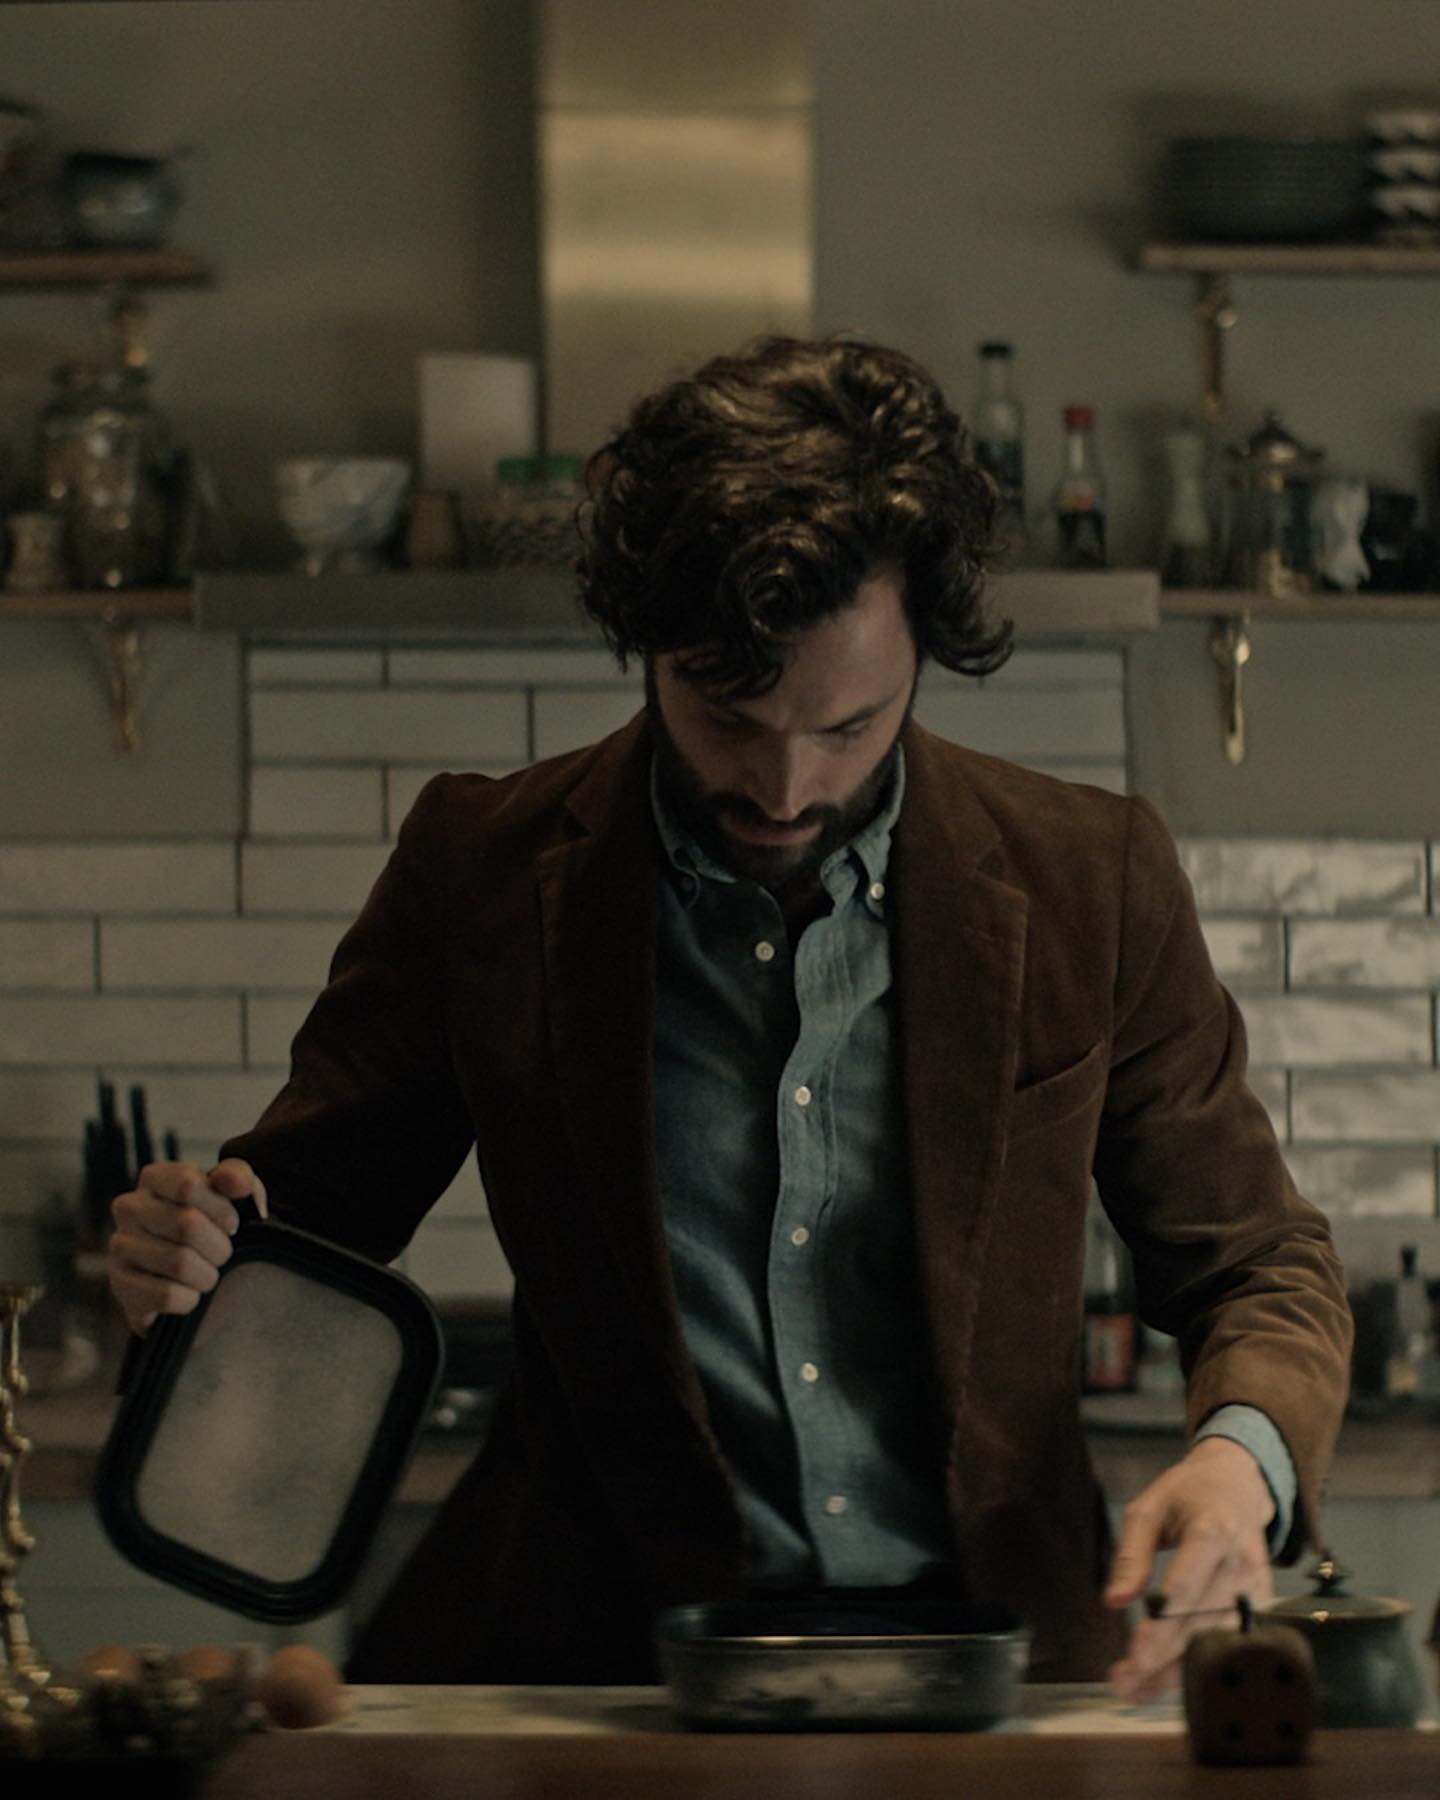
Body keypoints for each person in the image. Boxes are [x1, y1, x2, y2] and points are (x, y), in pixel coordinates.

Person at [107, 333, 1352, 1695]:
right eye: (728, 716)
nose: (785, 785)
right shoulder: (480, 870)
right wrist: (189, 1261)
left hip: (999, 1671)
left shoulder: (1090, 878)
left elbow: (1256, 1261)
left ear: (923, 652)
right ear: (647, 646)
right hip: (608, 1678)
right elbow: (297, 1238)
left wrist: (1240, 1462)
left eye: (849, 726)